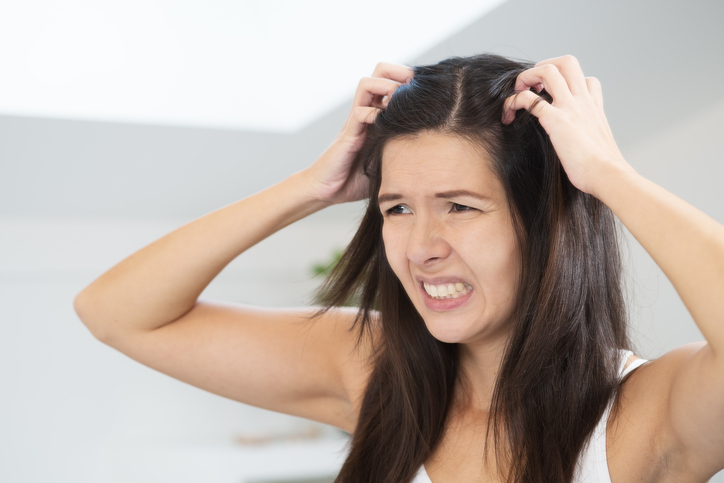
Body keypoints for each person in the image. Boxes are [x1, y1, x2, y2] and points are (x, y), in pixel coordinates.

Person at [73, 53, 724, 482]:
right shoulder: (371, 371)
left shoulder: (641, 414)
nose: (420, 246)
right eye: (397, 207)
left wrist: (606, 176)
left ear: (544, 221)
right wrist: (310, 186)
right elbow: (114, 313)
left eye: (460, 206)